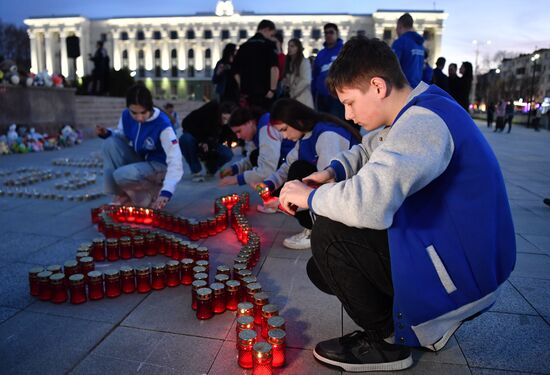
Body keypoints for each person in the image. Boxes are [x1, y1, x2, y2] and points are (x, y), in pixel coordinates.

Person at [279, 36, 515, 372]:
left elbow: (370, 204)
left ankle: (387, 340)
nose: (347, 113)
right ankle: (409, 314)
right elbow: (371, 149)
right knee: (323, 268)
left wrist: (309, 196)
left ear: (377, 86)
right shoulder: (420, 106)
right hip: (458, 253)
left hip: (463, 273)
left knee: (330, 235)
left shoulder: (423, 123)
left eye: (349, 102)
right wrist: (331, 172)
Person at [259, 98, 361, 249]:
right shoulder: (306, 136)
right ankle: (313, 225)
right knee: (294, 171)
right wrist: (268, 184)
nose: (285, 136)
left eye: (284, 129)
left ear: (297, 120)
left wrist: (286, 202)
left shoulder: (327, 135)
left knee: (298, 170)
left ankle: (317, 229)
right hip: (331, 192)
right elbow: (286, 167)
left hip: (350, 197)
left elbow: (328, 184)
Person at [96, 84, 183, 209]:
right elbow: (123, 135)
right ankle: (122, 195)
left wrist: (167, 191)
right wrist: (108, 133)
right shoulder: (126, 115)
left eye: (143, 112)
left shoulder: (163, 125)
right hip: (142, 161)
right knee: (109, 144)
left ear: (150, 107)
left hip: (159, 166)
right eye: (134, 113)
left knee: (121, 174)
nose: (139, 117)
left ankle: (151, 195)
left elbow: (175, 159)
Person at [219, 107, 295, 212]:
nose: (238, 136)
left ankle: (276, 201)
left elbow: (267, 169)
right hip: (285, 161)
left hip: (293, 164)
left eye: (239, 131)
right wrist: (235, 169)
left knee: (257, 176)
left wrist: (236, 179)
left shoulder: (266, 128)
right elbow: (252, 157)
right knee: (255, 159)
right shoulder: (254, 131)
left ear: (249, 123)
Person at [179, 100, 237, 182]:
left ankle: (211, 167)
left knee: (228, 154)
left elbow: (227, 140)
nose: (225, 122)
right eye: (224, 118)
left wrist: (210, 145)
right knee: (185, 139)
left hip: (212, 144)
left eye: (228, 120)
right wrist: (202, 141)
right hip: (196, 139)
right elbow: (186, 124)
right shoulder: (207, 112)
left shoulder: (228, 125)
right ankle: (196, 170)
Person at [233, 19, 279, 110]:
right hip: (265, 92)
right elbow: (274, 68)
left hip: (247, 92)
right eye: (271, 34)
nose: (271, 37)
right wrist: (272, 90)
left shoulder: (243, 46)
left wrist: (242, 87)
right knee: (264, 119)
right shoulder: (269, 45)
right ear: (266, 29)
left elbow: (235, 72)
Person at [312, 23, 345, 118]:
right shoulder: (321, 53)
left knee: (336, 125)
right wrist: (314, 93)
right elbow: (315, 75)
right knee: (323, 124)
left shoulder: (344, 50)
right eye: (326, 33)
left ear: (337, 34)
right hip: (321, 96)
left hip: (337, 97)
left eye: (331, 32)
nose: (328, 35)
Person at [391, 13, 425, 88]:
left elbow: (391, 66)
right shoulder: (420, 44)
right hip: (417, 87)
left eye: (396, 27)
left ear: (400, 25)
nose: (396, 30)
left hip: (403, 88)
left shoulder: (400, 42)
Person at [283, 38, 314, 108]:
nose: (289, 48)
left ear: (298, 48)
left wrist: (293, 93)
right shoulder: (289, 63)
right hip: (292, 100)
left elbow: (306, 80)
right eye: (288, 46)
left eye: (292, 46)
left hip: (302, 98)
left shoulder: (304, 62)